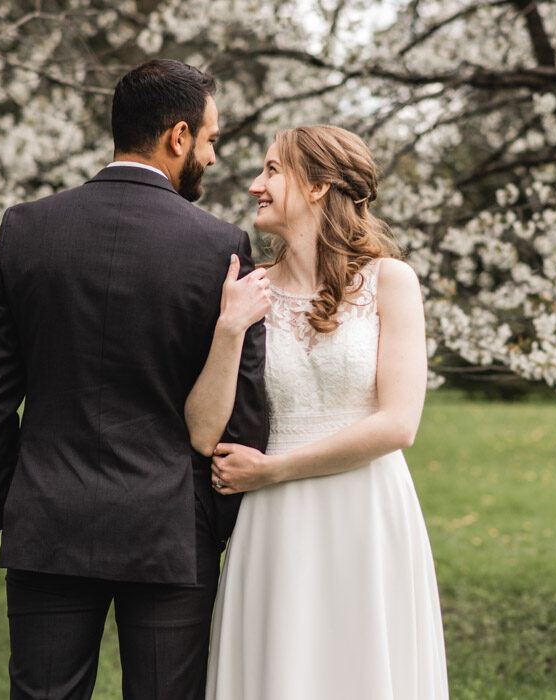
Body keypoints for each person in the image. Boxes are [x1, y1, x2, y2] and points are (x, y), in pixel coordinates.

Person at [0, 59, 270, 700]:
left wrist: (10, 503)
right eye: (210, 139)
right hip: (171, 529)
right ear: (178, 137)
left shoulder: (26, 229)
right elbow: (243, 409)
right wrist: (214, 522)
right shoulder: (220, 247)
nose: (212, 157)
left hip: (47, 515)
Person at [192, 125, 450, 699]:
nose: (256, 185)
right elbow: (202, 429)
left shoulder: (391, 281)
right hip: (275, 523)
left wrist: (272, 470)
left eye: (272, 170)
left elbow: (399, 423)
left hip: (365, 510)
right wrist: (229, 327)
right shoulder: (250, 289)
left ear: (317, 187)